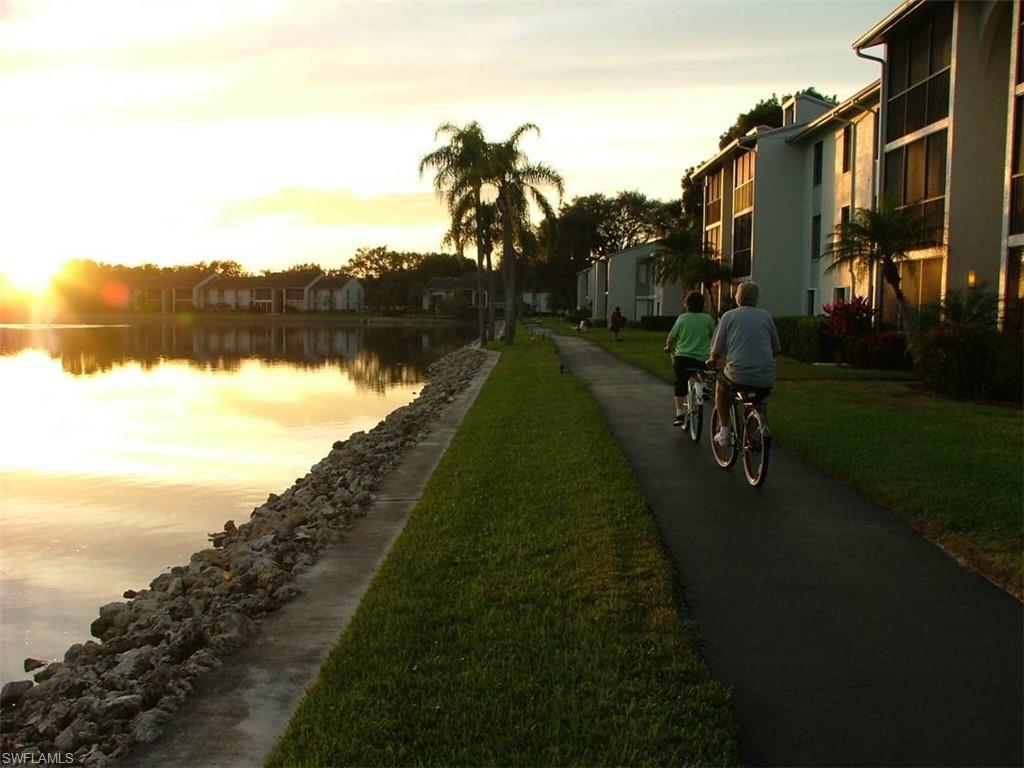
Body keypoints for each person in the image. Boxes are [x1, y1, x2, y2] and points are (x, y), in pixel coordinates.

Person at [706, 281, 780, 447]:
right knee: (757, 399)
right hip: (765, 377)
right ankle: (758, 428)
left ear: (738, 297)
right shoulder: (766, 316)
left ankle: (725, 431)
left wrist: (712, 360)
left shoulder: (729, 316)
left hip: (737, 375)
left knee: (721, 387)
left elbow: (717, 349)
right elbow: (776, 348)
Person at [663, 291, 715, 427]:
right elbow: (713, 335)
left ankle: (679, 413)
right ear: (703, 305)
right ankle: (703, 388)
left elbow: (671, 337)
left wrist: (668, 346)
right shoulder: (708, 319)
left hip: (683, 358)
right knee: (702, 369)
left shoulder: (682, 318)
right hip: (702, 358)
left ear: (686, 304)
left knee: (680, 382)